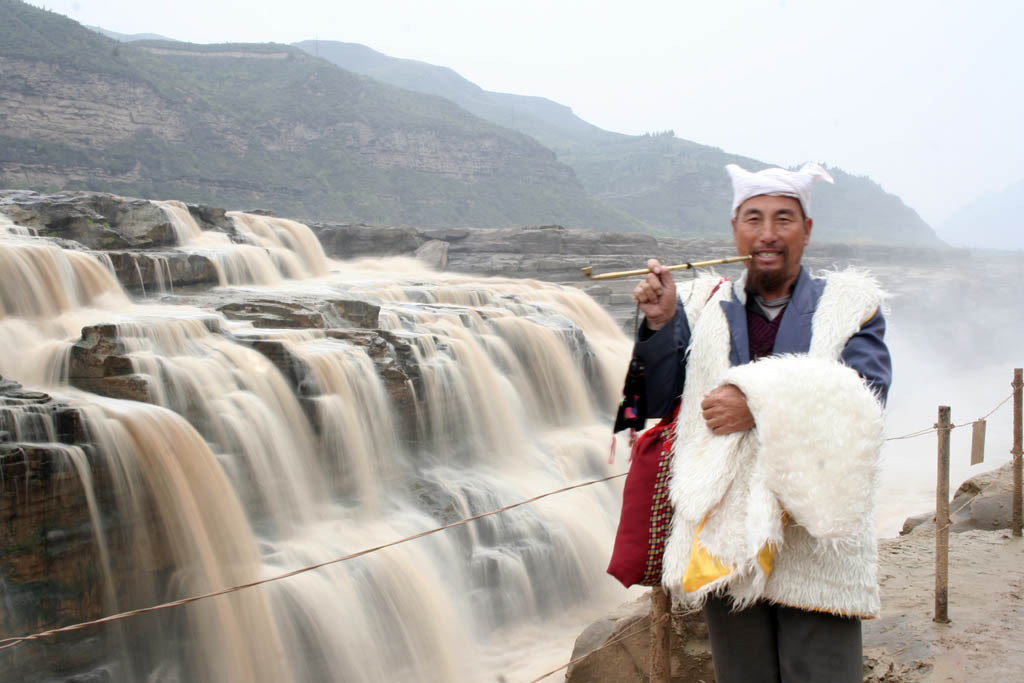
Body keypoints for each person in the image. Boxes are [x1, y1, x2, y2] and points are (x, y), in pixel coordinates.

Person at [631, 162, 892, 683]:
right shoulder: (703, 306)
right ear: (735, 229)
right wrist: (660, 324)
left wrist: (758, 402)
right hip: (725, 530)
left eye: (784, 219)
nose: (767, 234)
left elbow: (866, 398)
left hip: (812, 530)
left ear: (807, 230)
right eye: (753, 219)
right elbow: (656, 401)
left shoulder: (851, 307)